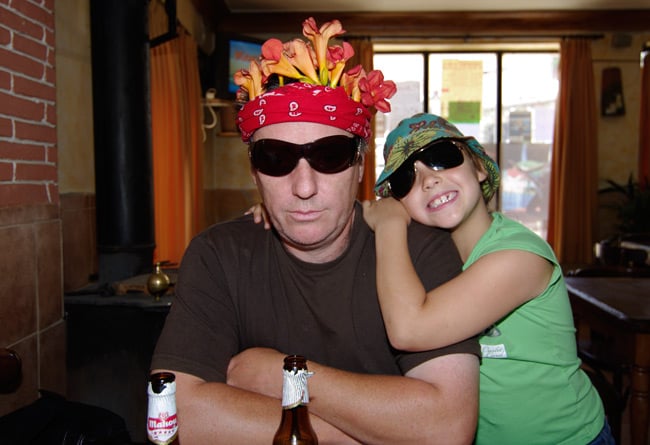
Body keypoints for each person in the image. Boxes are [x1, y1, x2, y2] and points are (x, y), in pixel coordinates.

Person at [150, 19, 480, 444]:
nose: (304, 187)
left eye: (329, 155)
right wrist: (370, 433)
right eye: (275, 158)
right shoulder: (220, 254)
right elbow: (177, 413)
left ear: (359, 167)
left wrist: (282, 376)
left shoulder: (420, 247)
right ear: (255, 172)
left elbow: (446, 427)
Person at [361, 113, 614, 444]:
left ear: (479, 168)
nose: (428, 181)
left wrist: (390, 225)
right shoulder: (425, 264)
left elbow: (409, 329)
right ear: (401, 203)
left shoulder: (519, 256)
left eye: (442, 158)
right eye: (407, 177)